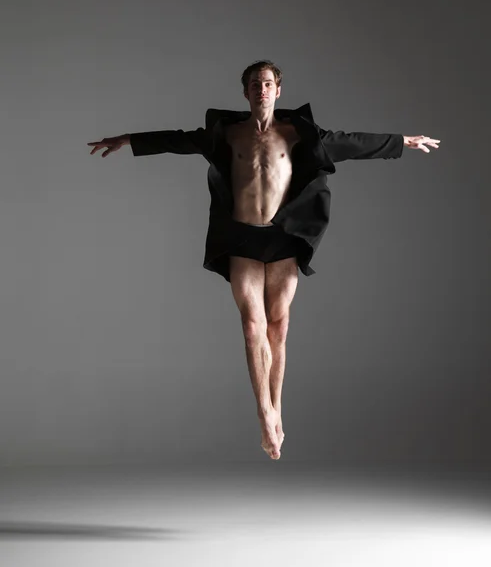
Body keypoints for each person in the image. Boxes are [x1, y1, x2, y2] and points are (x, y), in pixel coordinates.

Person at [88, 60, 440, 460]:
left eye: (268, 83)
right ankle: (265, 415)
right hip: (241, 237)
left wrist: (403, 142)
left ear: (278, 91)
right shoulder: (228, 134)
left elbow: (350, 142)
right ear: (245, 93)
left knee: (279, 325)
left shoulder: (297, 134)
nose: (261, 89)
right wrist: (127, 140)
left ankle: (278, 407)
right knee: (253, 325)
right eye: (254, 84)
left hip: (284, 237)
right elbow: (178, 139)